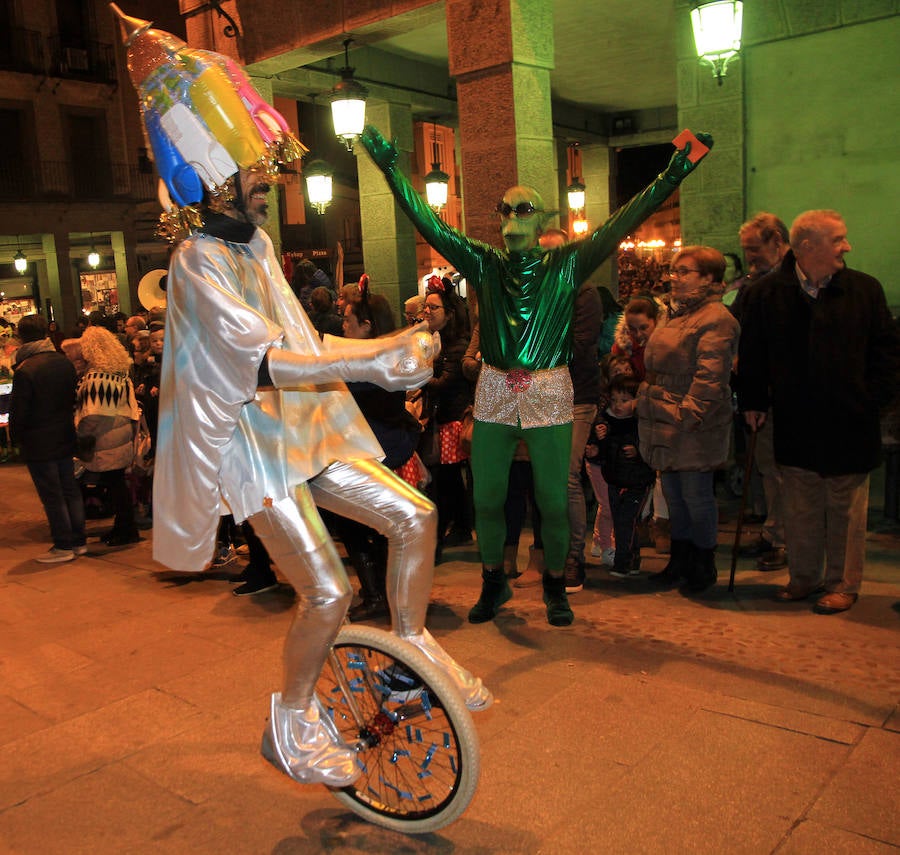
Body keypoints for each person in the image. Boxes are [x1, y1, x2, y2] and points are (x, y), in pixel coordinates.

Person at [115, 8, 489, 790]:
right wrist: (377, 360)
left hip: (309, 431)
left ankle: (407, 655)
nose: (265, 183)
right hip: (253, 449)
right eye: (252, 172)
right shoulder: (193, 264)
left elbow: (303, 345)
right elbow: (265, 360)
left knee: (415, 517)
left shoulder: (254, 246)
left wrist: (377, 356)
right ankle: (289, 722)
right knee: (329, 589)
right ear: (208, 177)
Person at [361, 124, 712, 627]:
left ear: (542, 217)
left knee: (551, 496)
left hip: (549, 388)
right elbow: (429, 225)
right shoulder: (483, 263)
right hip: (496, 388)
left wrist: (676, 168)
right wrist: (393, 170)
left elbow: (625, 218)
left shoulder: (566, 264)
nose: (510, 216)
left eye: (522, 208)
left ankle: (554, 584)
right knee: (486, 494)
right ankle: (493, 581)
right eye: (504, 209)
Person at [738, 210, 900, 614]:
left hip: (850, 419)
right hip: (795, 418)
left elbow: (888, 352)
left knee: (845, 508)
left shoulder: (864, 289)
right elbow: (753, 353)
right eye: (839, 239)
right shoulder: (767, 294)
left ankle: (843, 583)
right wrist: (754, 401)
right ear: (808, 246)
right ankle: (804, 577)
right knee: (801, 504)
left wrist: (870, 398)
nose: (847, 246)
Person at [636, 246, 739, 593]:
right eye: (674, 271)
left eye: (684, 272)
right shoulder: (675, 313)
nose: (675, 278)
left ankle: (702, 561)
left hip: (692, 420)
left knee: (696, 494)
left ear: (708, 278)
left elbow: (711, 374)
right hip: (666, 414)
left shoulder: (715, 317)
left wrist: (689, 413)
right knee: (675, 494)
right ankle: (679, 559)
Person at [337, 278, 424, 619]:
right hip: (382, 447)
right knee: (366, 525)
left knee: (361, 524)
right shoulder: (382, 357)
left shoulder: (372, 364)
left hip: (377, 451)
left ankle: (380, 594)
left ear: (367, 325)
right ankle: (384, 592)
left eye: (348, 321)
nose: (342, 326)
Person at [732, 212, 791, 572]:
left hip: (777, 392)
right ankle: (773, 531)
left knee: (780, 471)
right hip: (756, 390)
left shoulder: (786, 286)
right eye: (746, 250)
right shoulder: (754, 283)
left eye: (755, 249)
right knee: (767, 469)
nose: (750, 256)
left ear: (777, 242)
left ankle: (783, 538)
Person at [10, 314, 87, 563]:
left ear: (21, 337)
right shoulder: (62, 361)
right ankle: (78, 541)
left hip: (38, 440)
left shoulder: (25, 370)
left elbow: (19, 413)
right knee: (69, 489)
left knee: (52, 494)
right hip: (64, 433)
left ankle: (63, 544)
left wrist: (17, 439)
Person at [420, 276, 474, 560]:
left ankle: (452, 530)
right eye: (425, 308)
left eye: (433, 308)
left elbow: (444, 383)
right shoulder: (430, 339)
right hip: (439, 418)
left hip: (453, 418)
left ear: (449, 314)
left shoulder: (457, 343)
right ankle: (461, 525)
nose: (426, 312)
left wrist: (419, 376)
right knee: (449, 480)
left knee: (446, 480)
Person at [76, 325, 142, 547]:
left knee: (114, 485)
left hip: (105, 437)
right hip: (119, 432)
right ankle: (123, 527)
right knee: (117, 484)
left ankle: (126, 530)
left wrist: (81, 434)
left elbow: (94, 413)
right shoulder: (118, 372)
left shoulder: (98, 375)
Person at [586, 374, 655, 578]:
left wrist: (639, 452)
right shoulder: (605, 421)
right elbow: (603, 449)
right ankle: (631, 557)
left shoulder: (641, 423)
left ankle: (623, 561)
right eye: (614, 400)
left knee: (627, 519)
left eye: (624, 400)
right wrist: (596, 448)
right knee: (620, 519)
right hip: (614, 478)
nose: (618, 405)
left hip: (637, 480)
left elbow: (653, 450)